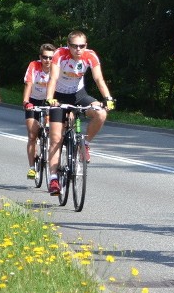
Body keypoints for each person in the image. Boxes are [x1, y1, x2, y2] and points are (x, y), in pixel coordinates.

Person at [45, 30, 114, 196]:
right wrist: (49, 98)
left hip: (79, 95)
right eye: (74, 46)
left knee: (101, 113)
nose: (78, 49)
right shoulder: (59, 54)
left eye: (81, 46)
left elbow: (98, 79)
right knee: (55, 138)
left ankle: (86, 144)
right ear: (68, 45)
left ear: (86, 46)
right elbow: (53, 78)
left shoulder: (90, 56)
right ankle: (53, 178)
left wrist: (108, 98)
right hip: (59, 97)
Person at [22, 44, 56, 179]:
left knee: (54, 131)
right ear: (40, 57)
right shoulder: (34, 66)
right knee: (32, 135)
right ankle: (32, 167)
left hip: (50, 101)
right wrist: (26, 101)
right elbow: (29, 84)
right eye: (45, 57)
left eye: (51, 58)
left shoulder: (56, 68)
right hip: (34, 101)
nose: (48, 60)